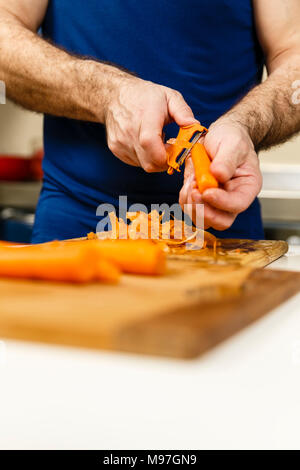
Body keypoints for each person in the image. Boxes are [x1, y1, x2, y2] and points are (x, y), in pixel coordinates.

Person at [0, 0, 299, 242]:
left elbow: (294, 54)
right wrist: (105, 94)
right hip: (73, 234)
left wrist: (246, 124)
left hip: (225, 239)